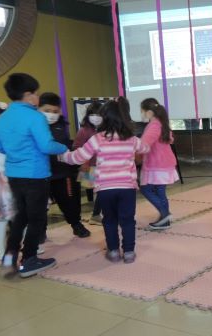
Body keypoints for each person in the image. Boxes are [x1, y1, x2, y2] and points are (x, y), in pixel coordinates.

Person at [58, 100, 149, 264]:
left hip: (105, 189)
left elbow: (78, 157)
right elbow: (145, 148)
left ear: (103, 118)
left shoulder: (97, 139)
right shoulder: (131, 139)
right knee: (128, 220)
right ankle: (129, 252)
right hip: (127, 188)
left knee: (109, 220)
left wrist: (62, 157)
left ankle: (113, 252)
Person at [0, 73, 67, 278]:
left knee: (20, 218)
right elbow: (46, 145)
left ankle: (9, 259)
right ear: (28, 95)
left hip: (13, 175)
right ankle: (29, 260)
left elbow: (0, 146)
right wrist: (64, 147)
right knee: (36, 218)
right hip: (35, 175)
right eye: (36, 93)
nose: (37, 97)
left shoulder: (3, 118)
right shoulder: (35, 117)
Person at [38, 93, 91, 240]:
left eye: (55, 111)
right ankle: (40, 231)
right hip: (40, 174)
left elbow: (69, 146)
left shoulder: (61, 125)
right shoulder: (35, 126)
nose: (51, 114)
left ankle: (76, 224)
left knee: (70, 201)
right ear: (38, 109)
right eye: (47, 110)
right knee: (40, 205)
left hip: (62, 172)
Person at [139, 98, 179, 230]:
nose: (142, 114)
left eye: (143, 111)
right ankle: (165, 219)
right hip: (164, 163)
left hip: (157, 164)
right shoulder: (162, 123)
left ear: (149, 112)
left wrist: (134, 147)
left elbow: (145, 144)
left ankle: (165, 214)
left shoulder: (154, 125)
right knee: (160, 191)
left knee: (146, 189)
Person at [73, 101, 104, 225]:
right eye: (93, 114)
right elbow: (77, 147)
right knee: (96, 191)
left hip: (103, 165)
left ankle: (97, 214)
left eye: (99, 114)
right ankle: (95, 215)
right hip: (89, 165)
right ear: (88, 115)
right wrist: (83, 163)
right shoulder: (83, 130)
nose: (96, 117)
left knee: (102, 191)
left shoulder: (105, 129)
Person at [0, 102, 13, 262]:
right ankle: (1, 251)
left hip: (11, 176)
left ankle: (28, 245)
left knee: (19, 214)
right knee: (2, 218)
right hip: (1, 179)